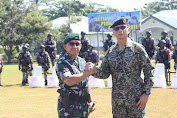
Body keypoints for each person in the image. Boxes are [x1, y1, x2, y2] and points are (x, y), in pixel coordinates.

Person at [85, 18, 154, 118]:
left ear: (128, 30)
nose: (120, 30)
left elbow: (149, 71)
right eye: (117, 29)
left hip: (136, 101)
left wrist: (146, 93)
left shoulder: (137, 49)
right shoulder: (111, 51)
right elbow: (104, 73)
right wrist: (93, 70)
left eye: (122, 27)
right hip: (118, 103)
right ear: (114, 32)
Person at [56, 33, 95, 118]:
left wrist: (91, 101)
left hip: (83, 106)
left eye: (77, 44)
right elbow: (69, 80)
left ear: (80, 46)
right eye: (71, 44)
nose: (75, 46)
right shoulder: (62, 62)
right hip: (69, 108)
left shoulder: (82, 61)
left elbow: (86, 81)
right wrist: (85, 73)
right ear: (65, 46)